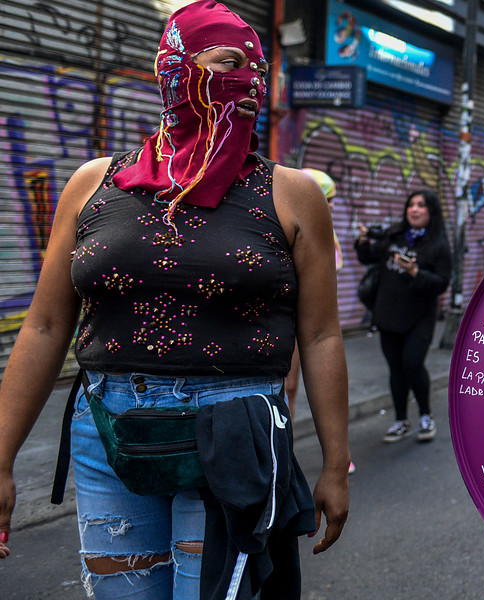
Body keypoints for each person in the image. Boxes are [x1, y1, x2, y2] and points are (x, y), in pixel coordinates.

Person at [0, 2, 350, 598]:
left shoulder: (292, 194)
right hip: (108, 432)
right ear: (174, 68)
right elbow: (46, 326)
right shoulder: (92, 184)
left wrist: (336, 465)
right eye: (229, 64)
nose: (249, 82)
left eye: (257, 70)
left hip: (233, 435)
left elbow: (320, 336)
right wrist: (3, 458)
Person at [355, 189, 451, 443]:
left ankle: (426, 415)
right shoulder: (394, 235)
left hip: (420, 318)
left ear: (431, 211)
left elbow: (442, 283)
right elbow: (368, 257)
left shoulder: (438, 245)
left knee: (412, 364)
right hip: (388, 315)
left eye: (421, 205)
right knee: (396, 369)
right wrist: (363, 241)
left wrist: (415, 272)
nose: (414, 210)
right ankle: (401, 421)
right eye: (411, 205)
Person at [285, 167, 355, 474]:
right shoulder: (286, 226)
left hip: (317, 324)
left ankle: (337, 454)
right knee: (288, 386)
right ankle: (284, 452)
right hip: (287, 321)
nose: (330, 205)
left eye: (330, 200)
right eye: (326, 199)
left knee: (327, 388)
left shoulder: (327, 234)